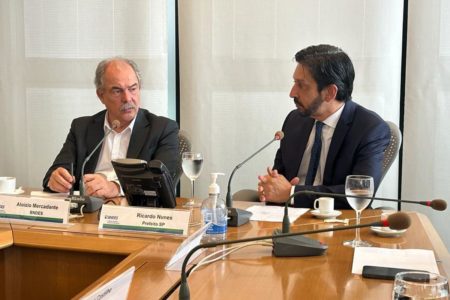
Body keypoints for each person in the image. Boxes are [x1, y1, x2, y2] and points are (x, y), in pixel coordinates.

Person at [258, 44, 390, 209]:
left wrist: (293, 193)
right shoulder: (294, 120)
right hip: (286, 218)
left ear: (330, 93)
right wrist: (271, 187)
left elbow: (360, 193)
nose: (292, 93)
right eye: (294, 83)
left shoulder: (369, 129)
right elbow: (280, 177)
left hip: (338, 224)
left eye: (302, 85)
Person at [43, 57, 179, 198]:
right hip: (85, 214)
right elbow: (53, 176)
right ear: (101, 95)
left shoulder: (162, 129)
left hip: (134, 214)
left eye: (133, 89)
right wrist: (56, 180)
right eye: (117, 91)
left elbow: (162, 182)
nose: (127, 98)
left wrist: (115, 188)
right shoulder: (81, 128)